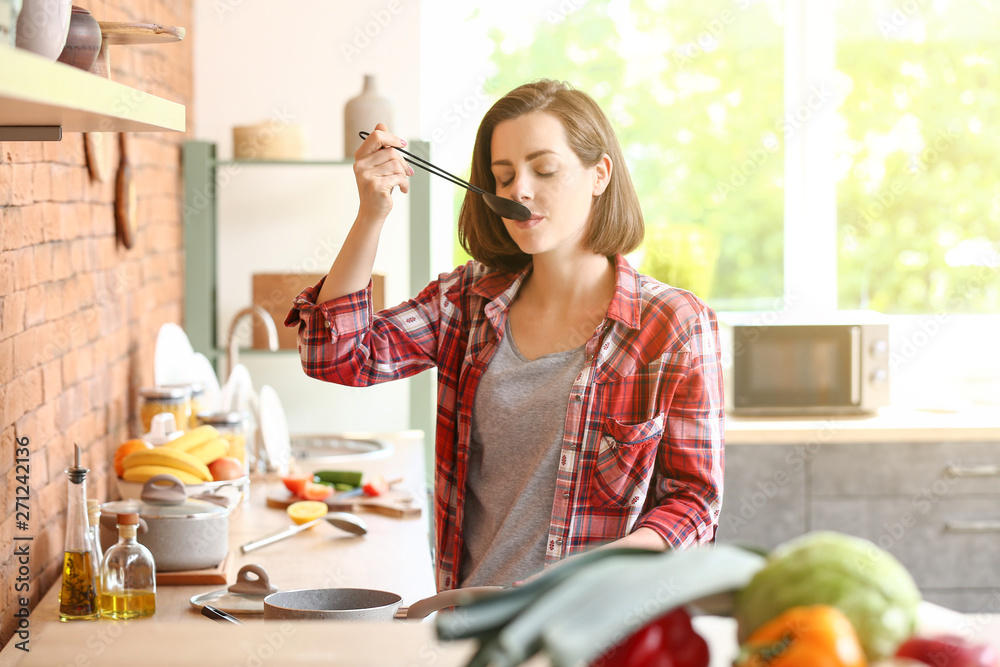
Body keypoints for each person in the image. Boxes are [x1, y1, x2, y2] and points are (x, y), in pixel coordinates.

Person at [286, 79, 724, 591]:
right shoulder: (468, 301)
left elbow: (694, 504)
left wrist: (593, 573)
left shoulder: (672, 324)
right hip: (471, 623)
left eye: (544, 169)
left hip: (592, 628)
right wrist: (371, 215)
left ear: (599, 174)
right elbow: (335, 357)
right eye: (504, 175)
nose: (519, 190)